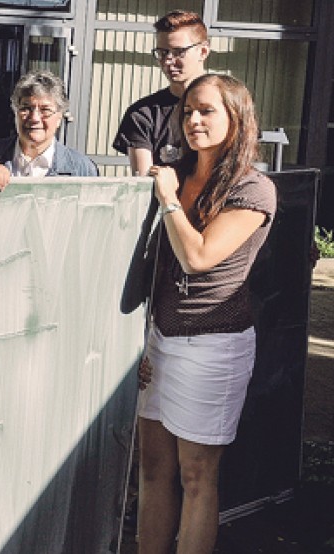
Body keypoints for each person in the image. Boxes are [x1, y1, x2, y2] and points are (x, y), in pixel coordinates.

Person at [136, 74, 276, 553]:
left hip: (212, 345)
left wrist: (170, 200)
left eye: (207, 111)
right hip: (160, 342)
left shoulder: (253, 189)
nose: (193, 120)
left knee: (197, 475)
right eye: (188, 110)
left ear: (235, 117)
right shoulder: (175, 172)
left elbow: (198, 259)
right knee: (153, 470)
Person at [113, 10, 210, 176]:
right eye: (162, 52)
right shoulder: (143, 114)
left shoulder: (230, 104)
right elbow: (143, 185)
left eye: (179, 52)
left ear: (203, 52)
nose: (168, 61)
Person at [0, 69, 97, 187]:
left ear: (59, 118)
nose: (34, 118)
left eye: (45, 110)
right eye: (26, 108)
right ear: (15, 113)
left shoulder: (81, 169)